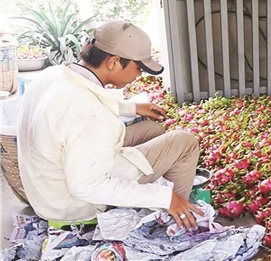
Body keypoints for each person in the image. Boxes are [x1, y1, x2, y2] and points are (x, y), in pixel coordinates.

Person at [17, 20, 203, 231]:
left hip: (46, 191)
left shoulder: (54, 75)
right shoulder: (89, 112)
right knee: (185, 142)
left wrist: (132, 108)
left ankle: (166, 202)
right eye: (138, 68)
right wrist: (165, 198)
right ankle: (176, 216)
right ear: (114, 62)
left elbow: (79, 103)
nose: (138, 76)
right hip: (74, 205)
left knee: (154, 130)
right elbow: (87, 187)